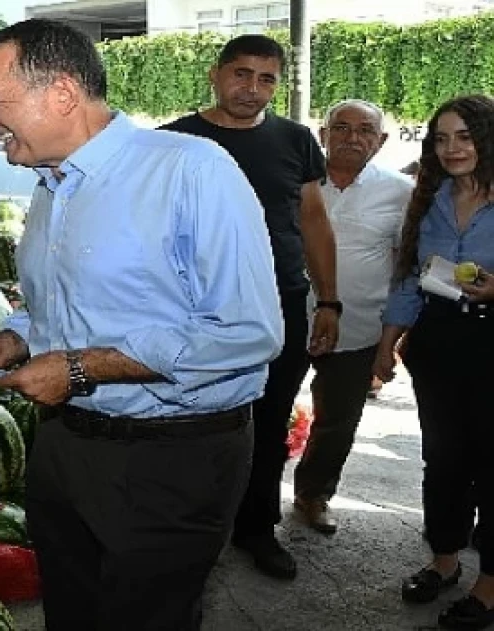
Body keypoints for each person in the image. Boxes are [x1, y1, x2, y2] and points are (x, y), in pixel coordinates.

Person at [0, 19, 283, 630]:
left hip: (172, 459)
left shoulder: (192, 171)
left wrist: (79, 368)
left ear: (62, 94)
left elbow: (247, 331)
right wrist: (13, 341)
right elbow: (63, 309)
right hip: (65, 447)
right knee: (72, 613)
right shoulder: (51, 186)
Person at [160, 34, 340, 580]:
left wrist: (328, 300)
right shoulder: (171, 143)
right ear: (215, 75)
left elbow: (312, 221)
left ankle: (256, 529)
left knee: (268, 421)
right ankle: (182, 531)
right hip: (192, 310)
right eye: (241, 74)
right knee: (189, 419)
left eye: (266, 78)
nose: (252, 88)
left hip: (279, 304)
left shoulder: (295, 139)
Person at [377, 95, 494, 630]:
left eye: (464, 137)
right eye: (441, 138)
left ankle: (488, 584)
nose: (451, 149)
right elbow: (408, 276)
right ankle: (443, 561)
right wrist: (386, 345)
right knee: (444, 462)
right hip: (440, 343)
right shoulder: (430, 198)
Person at [290, 99, 414, 535]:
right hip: (287, 321)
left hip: (359, 326)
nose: (352, 137)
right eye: (340, 128)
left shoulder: (401, 192)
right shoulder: (295, 182)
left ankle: (313, 494)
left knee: (338, 420)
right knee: (265, 415)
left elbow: (405, 266)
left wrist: (393, 339)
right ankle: (252, 502)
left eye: (364, 130)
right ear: (322, 135)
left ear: (380, 142)